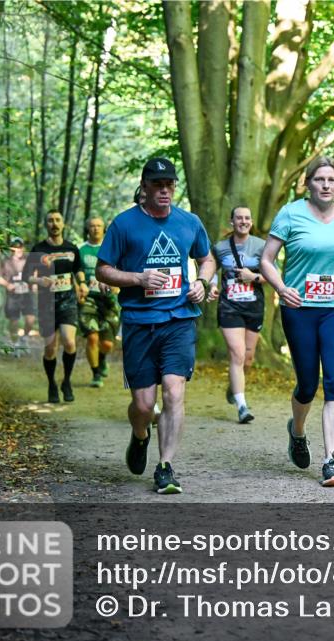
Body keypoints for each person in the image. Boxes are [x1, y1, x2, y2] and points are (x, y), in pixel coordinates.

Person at [96, 157, 215, 494]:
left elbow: (206, 259)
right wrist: (138, 278)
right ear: (144, 187)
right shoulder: (124, 225)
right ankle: (140, 435)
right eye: (158, 185)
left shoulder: (188, 222)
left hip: (179, 319)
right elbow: (102, 270)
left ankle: (165, 466)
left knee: (174, 392)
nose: (165, 191)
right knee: (144, 406)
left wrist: (203, 283)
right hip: (138, 321)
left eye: (170, 185)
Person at [259, 156, 334, 487]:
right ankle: (298, 431)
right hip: (300, 307)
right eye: (319, 180)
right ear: (308, 183)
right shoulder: (291, 214)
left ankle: (331, 460)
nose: (326, 185)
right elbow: (266, 260)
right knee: (307, 383)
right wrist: (281, 288)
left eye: (332, 180)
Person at [208, 205, 267, 424]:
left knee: (248, 359)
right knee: (237, 354)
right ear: (231, 221)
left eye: (247, 218)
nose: (243, 221)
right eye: (239, 218)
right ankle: (242, 407)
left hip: (254, 306)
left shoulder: (262, 246)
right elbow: (211, 270)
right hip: (229, 306)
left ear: (251, 222)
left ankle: (234, 388)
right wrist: (212, 287)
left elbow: (272, 276)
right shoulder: (220, 247)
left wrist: (254, 277)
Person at [25, 210, 87, 403]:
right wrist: (39, 280)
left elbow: (78, 269)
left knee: (69, 342)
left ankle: (66, 381)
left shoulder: (71, 248)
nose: (54, 224)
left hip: (68, 299)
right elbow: (26, 275)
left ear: (63, 224)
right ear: (46, 225)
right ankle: (52, 383)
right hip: (46, 302)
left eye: (58, 220)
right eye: (50, 220)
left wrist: (83, 283)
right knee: (50, 348)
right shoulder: (38, 249)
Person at [78, 217, 120, 387]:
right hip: (89, 299)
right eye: (92, 226)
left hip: (109, 300)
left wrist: (118, 285)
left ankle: (102, 359)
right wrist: (79, 285)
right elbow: (75, 270)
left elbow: (122, 268)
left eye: (99, 226)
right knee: (92, 338)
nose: (95, 229)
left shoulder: (113, 248)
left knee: (108, 344)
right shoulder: (80, 249)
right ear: (87, 228)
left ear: (104, 229)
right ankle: (96, 374)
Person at [0, 237, 37, 347]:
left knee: (30, 319)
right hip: (13, 295)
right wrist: (8, 285)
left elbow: (36, 272)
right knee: (14, 321)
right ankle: (15, 342)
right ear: (11, 248)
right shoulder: (5, 261)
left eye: (19, 247)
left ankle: (25, 337)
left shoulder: (28, 259)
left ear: (23, 248)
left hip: (27, 293)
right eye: (14, 247)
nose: (17, 249)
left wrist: (34, 283)